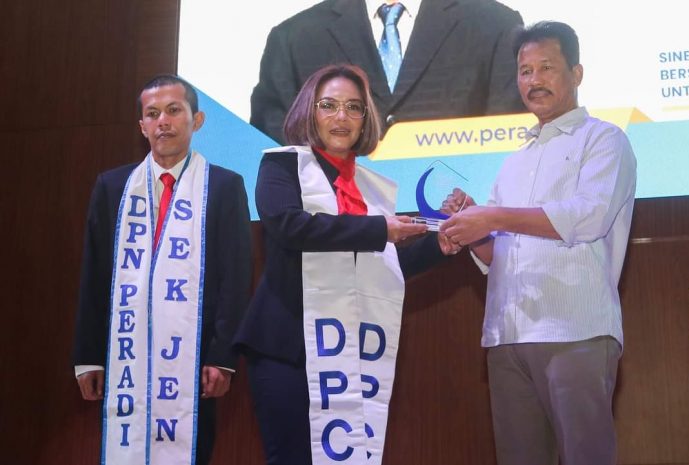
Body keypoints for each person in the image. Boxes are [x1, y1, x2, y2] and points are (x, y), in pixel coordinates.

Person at [235, 63, 457, 465]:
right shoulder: (281, 165)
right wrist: (379, 230)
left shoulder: (371, 187)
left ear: (365, 119)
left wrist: (440, 243)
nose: (342, 116)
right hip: (286, 347)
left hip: (352, 350)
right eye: (329, 105)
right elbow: (291, 227)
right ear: (309, 111)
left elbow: (383, 265)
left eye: (354, 107)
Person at [440, 21, 637, 465]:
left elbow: (588, 216)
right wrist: (471, 229)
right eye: (525, 71)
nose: (534, 80)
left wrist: (491, 216)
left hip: (575, 330)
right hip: (506, 336)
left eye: (546, 67)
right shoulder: (514, 162)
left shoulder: (605, 140)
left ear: (576, 73)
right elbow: (498, 255)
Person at [72, 74, 252, 465]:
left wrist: (222, 356)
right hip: (125, 351)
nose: (163, 122)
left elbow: (235, 278)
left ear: (197, 120)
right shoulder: (113, 187)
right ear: (142, 126)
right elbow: (95, 275)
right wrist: (89, 356)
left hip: (194, 357)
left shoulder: (224, 186)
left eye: (173, 110)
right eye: (152, 114)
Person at [250, 0, 526, 144]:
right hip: (336, 227)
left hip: (460, 223)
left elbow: (510, 137)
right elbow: (274, 143)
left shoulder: (496, 25)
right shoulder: (294, 38)